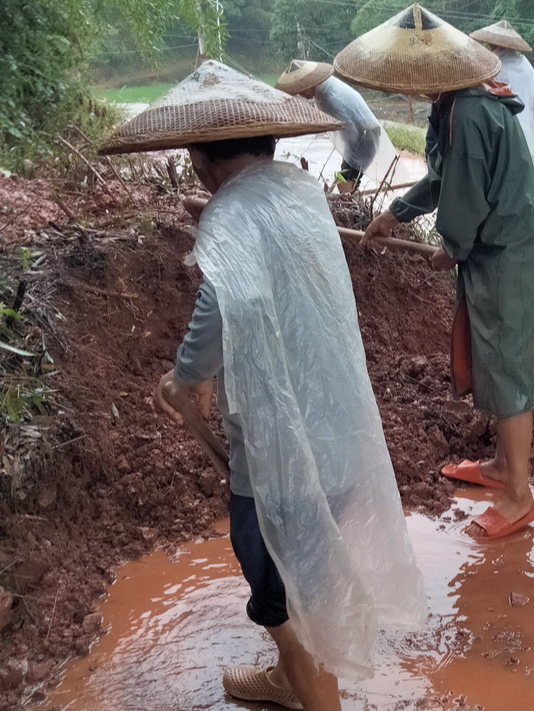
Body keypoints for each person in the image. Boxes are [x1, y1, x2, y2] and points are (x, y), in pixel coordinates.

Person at [99, 60, 427, 711]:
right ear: (271, 143)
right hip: (338, 431)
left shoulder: (231, 217)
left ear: (197, 157)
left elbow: (219, 311)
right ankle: (289, 679)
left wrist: (184, 378)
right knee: (306, 571)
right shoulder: (298, 195)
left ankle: (314, 691)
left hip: (284, 450)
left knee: (275, 590)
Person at [335, 4, 534, 539]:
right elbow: (444, 179)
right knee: (495, 359)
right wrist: (395, 213)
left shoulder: (467, 112)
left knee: (508, 372)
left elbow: (464, 196)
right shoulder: (457, 103)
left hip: (507, 254)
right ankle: (501, 466)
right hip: (501, 248)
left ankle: (519, 496)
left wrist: (453, 246)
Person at [469, 20, 534, 182]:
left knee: (502, 183)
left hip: (500, 138)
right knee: (523, 183)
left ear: (493, 44)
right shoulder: (525, 66)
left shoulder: (491, 67)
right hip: (526, 138)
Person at [275, 59, 397, 193]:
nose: (301, 93)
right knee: (348, 180)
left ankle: (354, 209)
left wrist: (349, 156)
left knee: (345, 182)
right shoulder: (326, 87)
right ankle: (356, 206)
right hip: (365, 134)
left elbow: (349, 130)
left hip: (364, 138)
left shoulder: (328, 96)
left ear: (311, 83)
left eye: (303, 88)